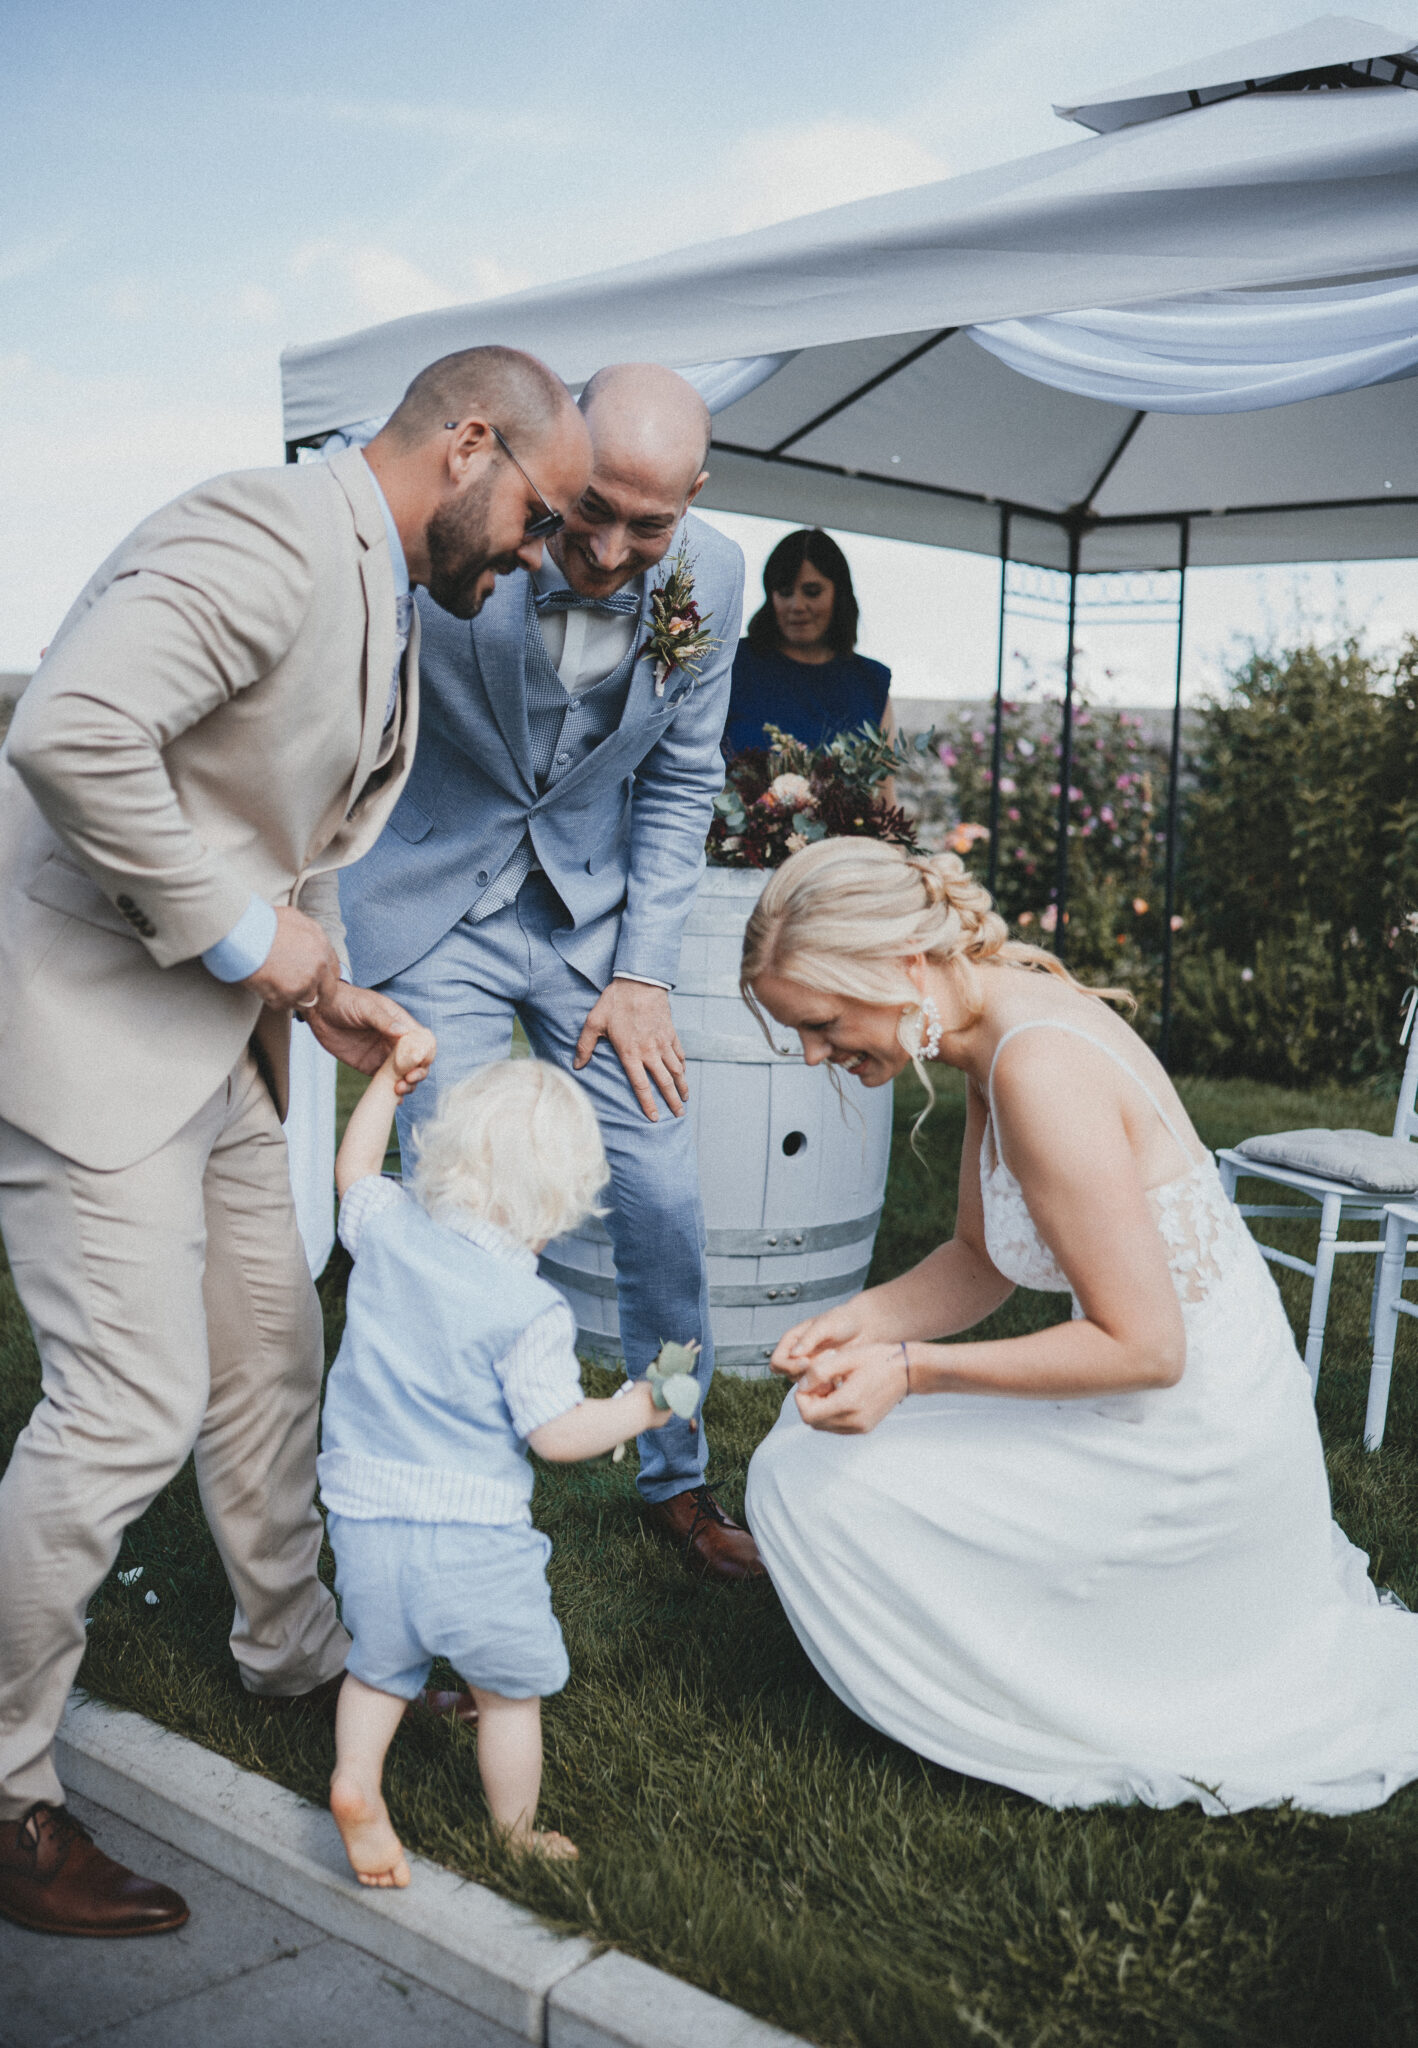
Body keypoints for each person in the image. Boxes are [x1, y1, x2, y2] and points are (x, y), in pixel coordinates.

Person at [0, 345, 592, 1937]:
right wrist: (243, 938)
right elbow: (71, 735)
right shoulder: (265, 532)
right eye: (540, 516)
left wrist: (322, 988)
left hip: (224, 1053)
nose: (541, 556)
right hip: (84, 1030)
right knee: (125, 1412)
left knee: (272, 1360)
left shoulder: (388, 586)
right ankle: (4, 1785)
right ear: (470, 443)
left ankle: (301, 1661)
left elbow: (284, 837)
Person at [739, 838, 1418, 1814]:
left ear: (894, 968)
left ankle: (1034, 1691)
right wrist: (853, 1322)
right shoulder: (988, 1016)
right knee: (804, 1442)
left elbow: (1142, 1347)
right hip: (1161, 1394)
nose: (813, 1053)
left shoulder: (1036, 1068)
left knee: (810, 1486)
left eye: (818, 1021)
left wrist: (909, 1367)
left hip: (1189, 1442)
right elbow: (979, 1259)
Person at [340, 362, 763, 1582]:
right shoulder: (468, 521)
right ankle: (434, 1487)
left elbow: (682, 779)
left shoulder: (715, 577)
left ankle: (675, 1470)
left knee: (665, 1196)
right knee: (455, 1218)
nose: (613, 550)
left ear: (693, 499)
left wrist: (644, 973)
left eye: (652, 524)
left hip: (593, 935)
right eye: (593, 514)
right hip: (436, 912)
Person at [322, 1038, 682, 1883]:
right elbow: (556, 1434)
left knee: (379, 1669)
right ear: (558, 1203)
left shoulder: (387, 1230)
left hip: (364, 1517)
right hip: (474, 1539)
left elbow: (352, 1167)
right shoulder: (529, 1309)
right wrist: (643, 1403)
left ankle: (355, 1781)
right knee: (508, 1693)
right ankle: (516, 1834)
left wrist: (384, 1079)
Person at [722, 529, 892, 758]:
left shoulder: (871, 682)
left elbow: (882, 790)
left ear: (838, 594)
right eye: (784, 592)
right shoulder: (732, 664)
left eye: (812, 592)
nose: (797, 605)